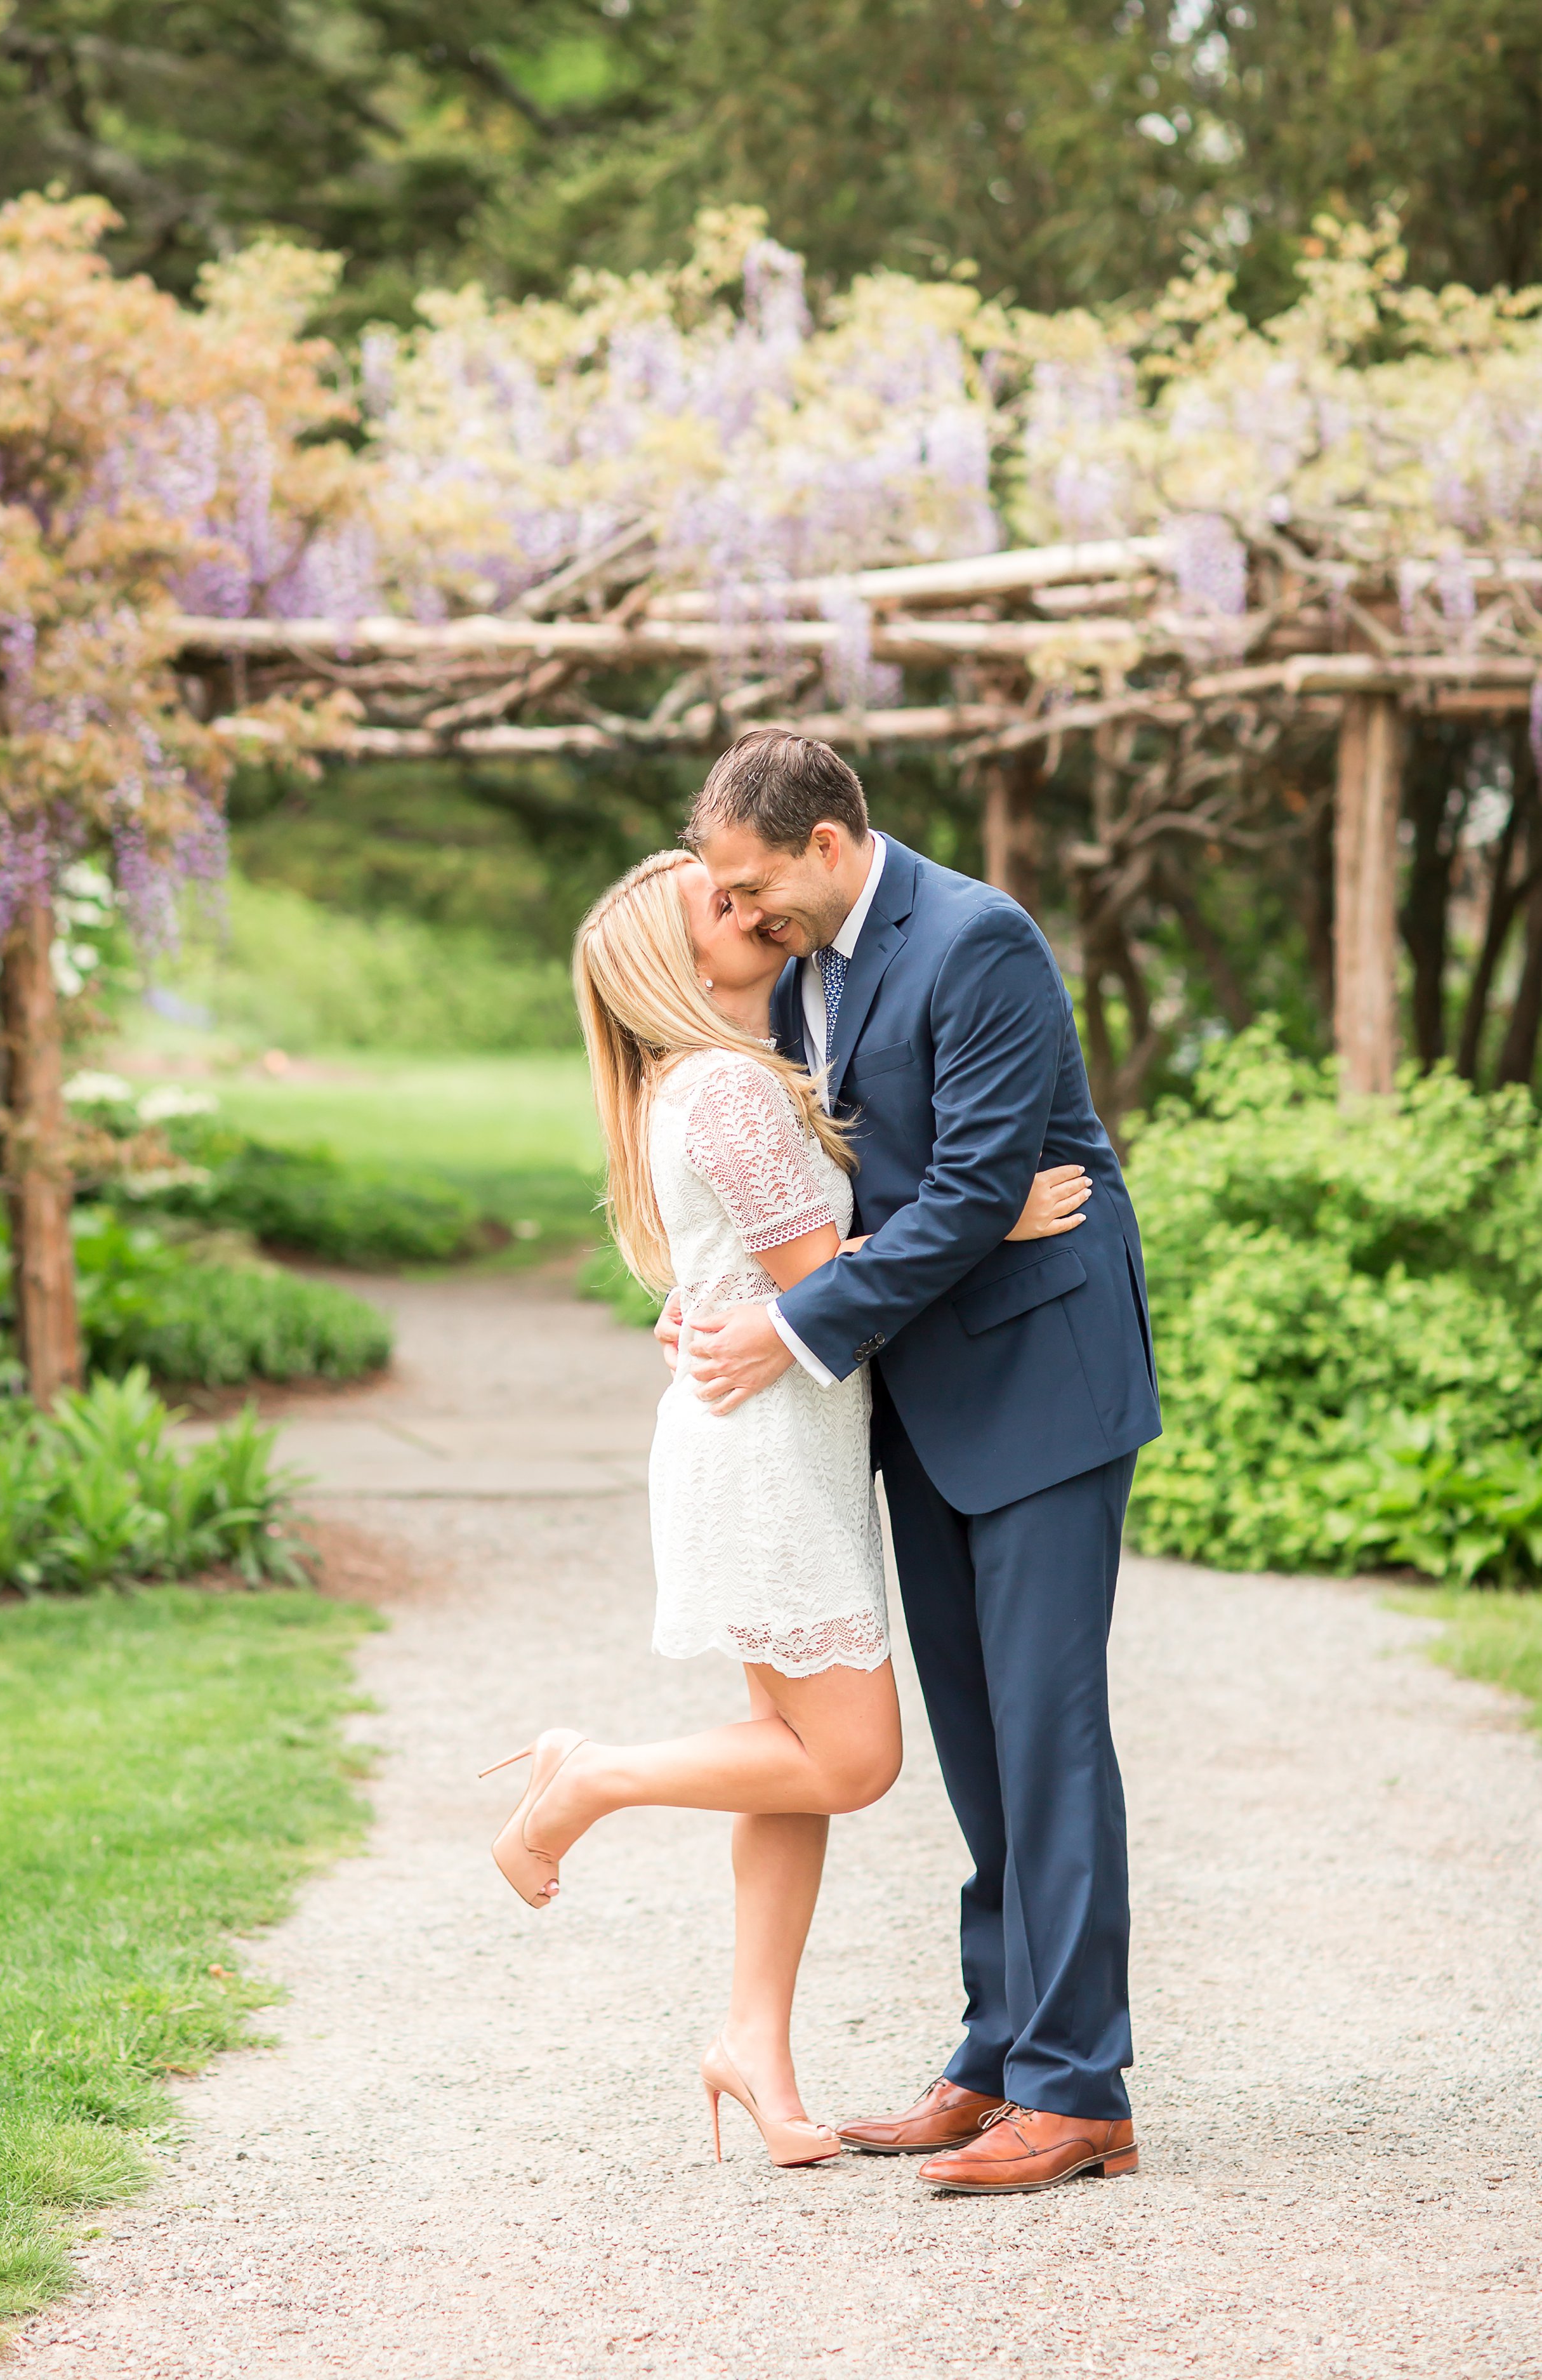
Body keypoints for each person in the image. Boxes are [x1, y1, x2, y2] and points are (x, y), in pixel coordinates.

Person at [482, 844, 1091, 2172]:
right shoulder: (725, 1090)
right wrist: (997, 1219)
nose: (750, 908)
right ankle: (590, 1778)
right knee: (848, 1757)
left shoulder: (699, 1084)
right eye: (720, 905)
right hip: (766, 1456)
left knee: (785, 1749)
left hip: (769, 1435)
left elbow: (765, 1279)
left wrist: (720, 1305)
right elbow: (822, 1277)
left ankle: (751, 2042)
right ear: (684, 962)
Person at [669, 728, 1161, 2196]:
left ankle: (1079, 2093)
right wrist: (713, 1299)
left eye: (756, 886)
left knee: (1045, 1729)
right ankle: (996, 2052)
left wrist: (786, 1330)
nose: (744, 917)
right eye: (727, 897)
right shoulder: (810, 962)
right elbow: (844, 1179)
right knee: (973, 1734)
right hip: (922, 1395)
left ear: (825, 844)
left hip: (1040, 1382)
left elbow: (975, 1189)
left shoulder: (976, 940)